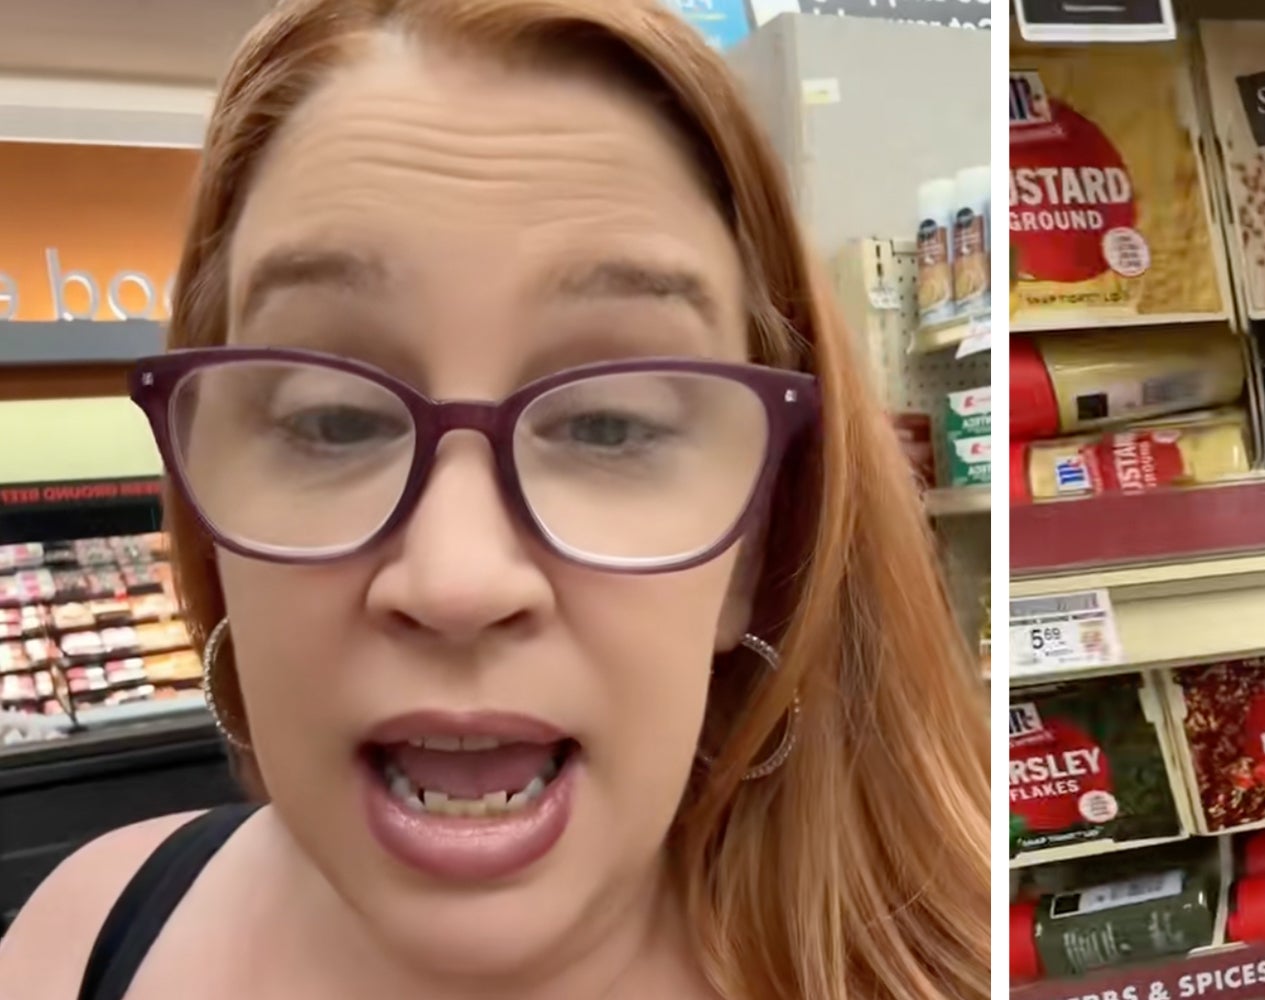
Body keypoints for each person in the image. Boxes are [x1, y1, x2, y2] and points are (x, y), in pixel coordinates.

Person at [0, 1, 989, 997]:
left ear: (757, 536)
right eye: (334, 420)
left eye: (610, 424)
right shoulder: (79, 941)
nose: (457, 578)